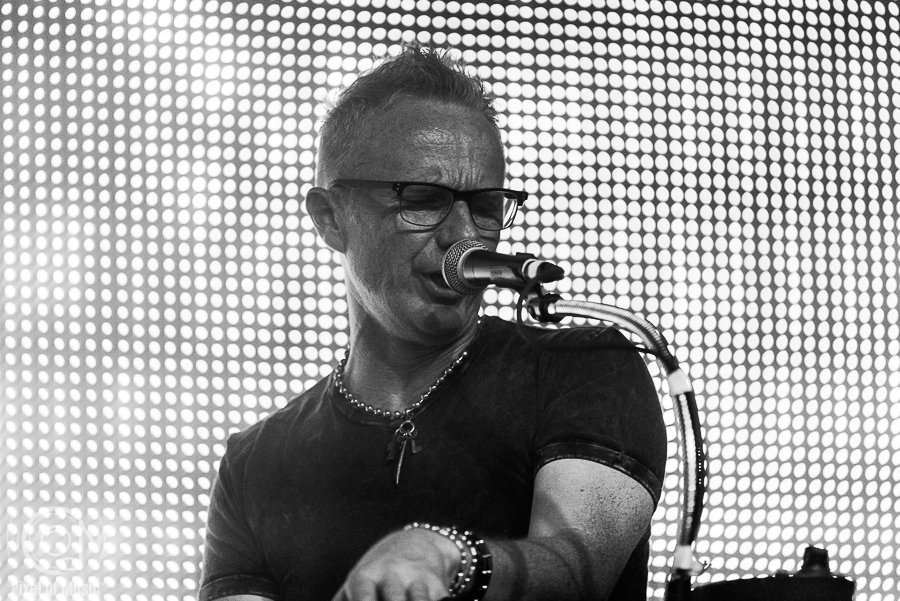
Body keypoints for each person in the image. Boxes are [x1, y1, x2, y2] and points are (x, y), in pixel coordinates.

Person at [199, 46, 667, 601]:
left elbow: (576, 570)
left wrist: (450, 558)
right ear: (330, 218)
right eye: (422, 199)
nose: (463, 235)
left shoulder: (585, 367)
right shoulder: (256, 463)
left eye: (485, 206)